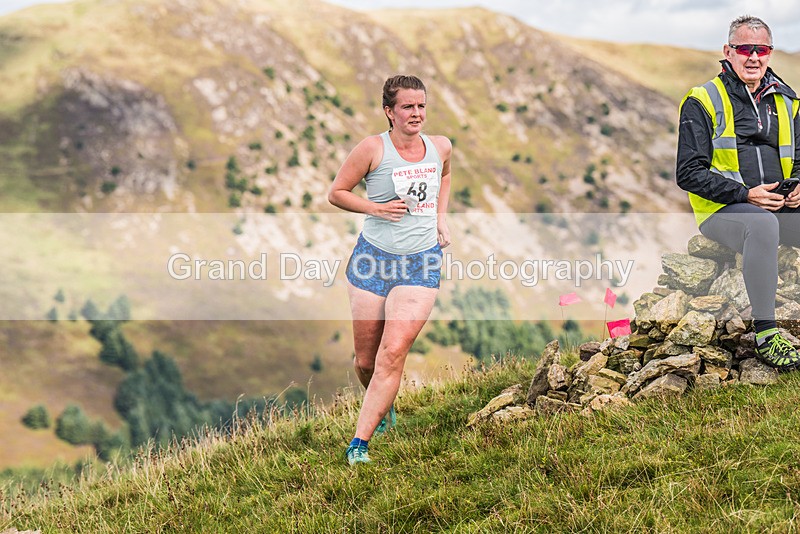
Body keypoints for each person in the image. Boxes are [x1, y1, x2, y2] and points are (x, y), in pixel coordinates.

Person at [328, 75, 452, 465]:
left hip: (421, 261)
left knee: (392, 352)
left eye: (421, 106)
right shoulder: (371, 149)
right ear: (389, 111)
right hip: (372, 260)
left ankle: (358, 444)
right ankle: (383, 406)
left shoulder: (440, 147)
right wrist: (376, 208)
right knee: (366, 361)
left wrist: (440, 218)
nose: (416, 114)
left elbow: (444, 175)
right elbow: (337, 193)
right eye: (407, 107)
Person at [677, 15, 800, 371]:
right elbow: (687, 173)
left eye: (761, 49)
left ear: (770, 53)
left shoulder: (789, 103)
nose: (753, 57)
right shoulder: (701, 100)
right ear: (728, 52)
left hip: (779, 207)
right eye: (745, 49)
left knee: (769, 221)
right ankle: (766, 333)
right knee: (762, 225)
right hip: (724, 212)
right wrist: (746, 195)